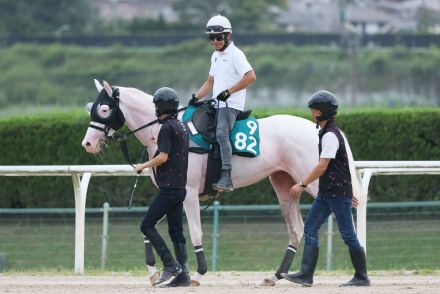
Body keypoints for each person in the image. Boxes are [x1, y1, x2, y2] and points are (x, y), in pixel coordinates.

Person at [281, 90, 370, 287]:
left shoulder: (330, 136)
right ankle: (306, 274)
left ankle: (362, 276)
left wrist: (302, 184)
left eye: (314, 110)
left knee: (348, 235)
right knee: (310, 228)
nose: (312, 113)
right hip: (327, 193)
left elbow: (322, 166)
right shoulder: (326, 133)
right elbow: (341, 166)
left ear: (321, 112)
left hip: (336, 195)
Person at [189, 14, 256, 192]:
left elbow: (251, 77)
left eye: (219, 37)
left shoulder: (236, 54)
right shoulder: (215, 56)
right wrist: (196, 97)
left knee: (220, 134)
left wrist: (229, 92)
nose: (215, 41)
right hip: (218, 104)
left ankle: (226, 176)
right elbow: (210, 82)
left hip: (231, 106)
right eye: (211, 38)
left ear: (228, 36)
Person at [136, 87, 190, 287]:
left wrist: (143, 165)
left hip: (169, 189)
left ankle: (170, 264)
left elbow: (163, 157)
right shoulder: (181, 126)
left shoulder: (167, 127)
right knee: (176, 231)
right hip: (180, 187)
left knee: (146, 225)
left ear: (160, 107)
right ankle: (184, 276)